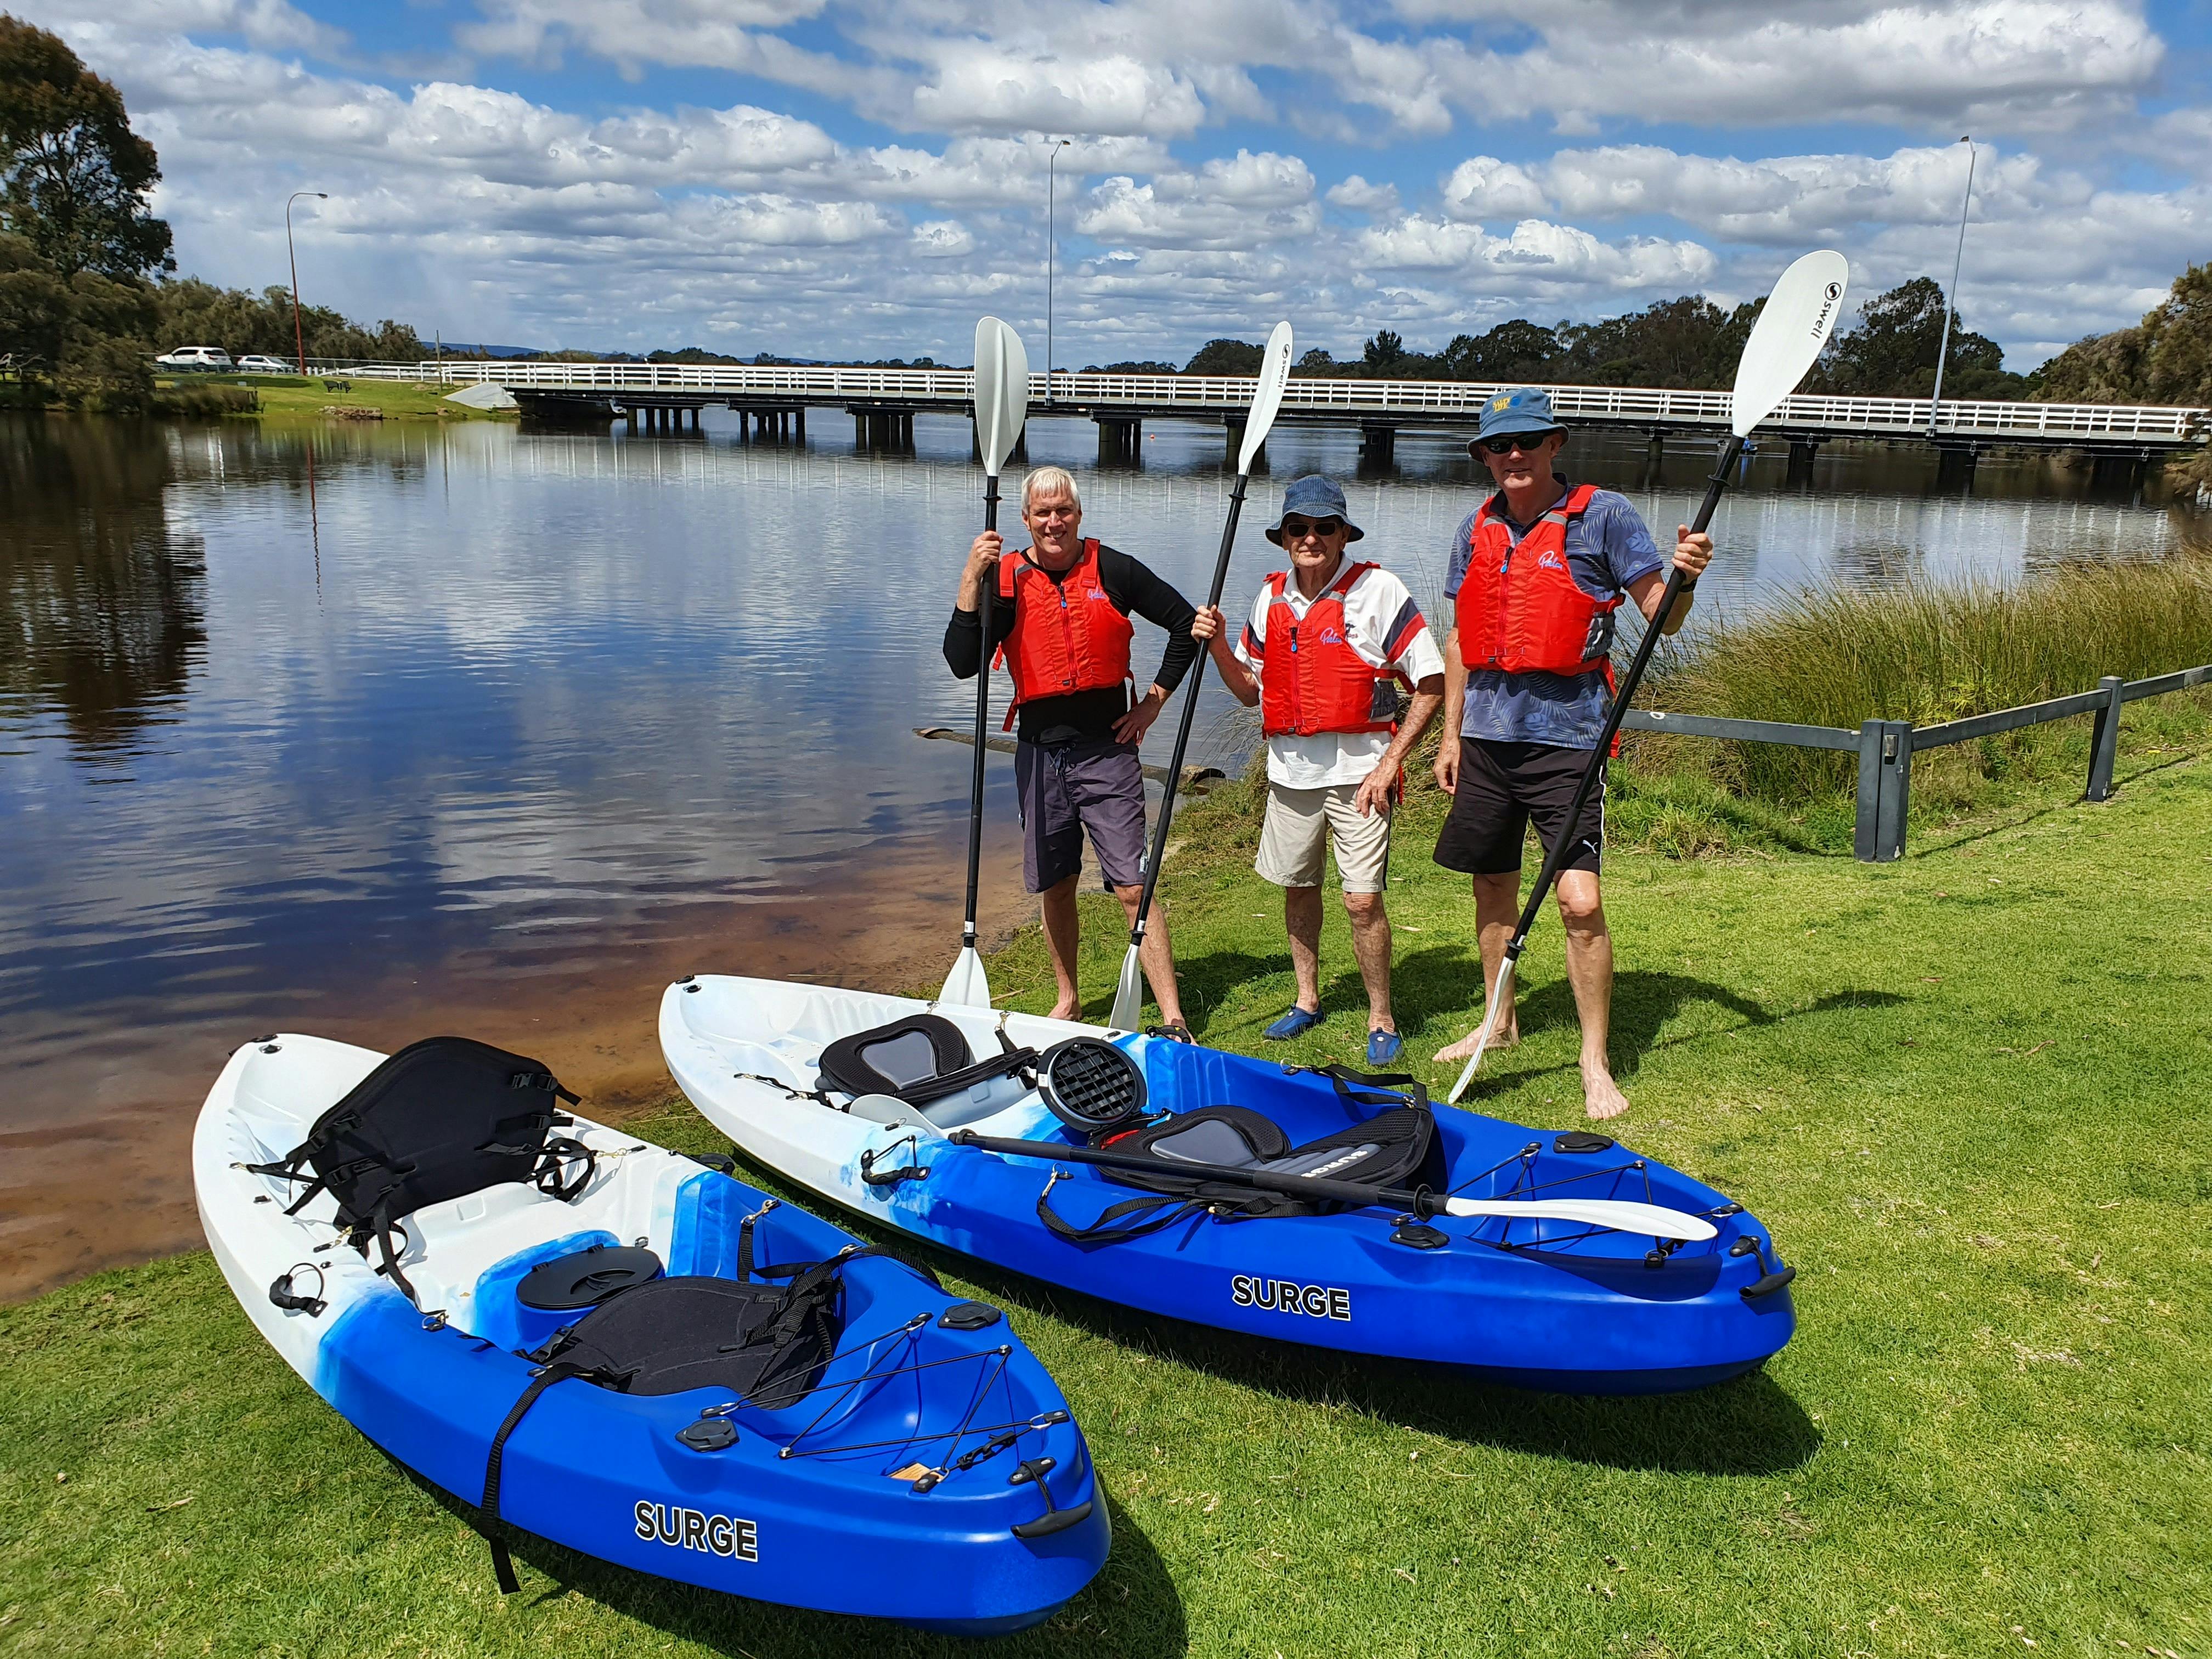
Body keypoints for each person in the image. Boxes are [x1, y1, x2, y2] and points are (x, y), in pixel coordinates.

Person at [1430, 388, 1713, 1119]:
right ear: (1485, 457)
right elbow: (1462, 639)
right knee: (1491, 888)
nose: (1512, 456)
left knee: (1579, 902)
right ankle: (1500, 1023)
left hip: (1570, 741)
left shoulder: (1605, 515)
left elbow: (1663, 620)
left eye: (1526, 442)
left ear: (1555, 444)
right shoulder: (1475, 528)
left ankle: (1595, 1059)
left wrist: (1684, 577)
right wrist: (1451, 733)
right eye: (1499, 446)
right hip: (1489, 739)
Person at [1190, 475, 1444, 1066]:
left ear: (1342, 534)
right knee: (1299, 890)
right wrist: (1220, 647)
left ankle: (1381, 1015)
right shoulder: (1270, 597)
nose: (1311, 539)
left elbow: (1431, 682)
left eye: (1324, 528)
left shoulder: (1379, 590)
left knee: (1361, 901)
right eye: (1299, 529)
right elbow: (1250, 691)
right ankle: (1308, 1001)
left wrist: (1391, 762)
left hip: (1361, 778)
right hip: (1290, 776)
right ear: (1283, 538)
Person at [946, 465, 1199, 1034]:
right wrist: (971, 576)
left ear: (1079, 515)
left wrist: (1154, 701)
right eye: (1043, 512)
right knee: (1056, 883)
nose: (1054, 521)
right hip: (1039, 753)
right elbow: (962, 663)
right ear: (1026, 520)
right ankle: (1068, 998)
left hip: (1107, 750)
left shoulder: (1112, 568)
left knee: (1133, 884)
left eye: (1064, 510)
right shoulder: (1005, 580)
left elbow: (1186, 624)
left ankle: (1174, 1015)